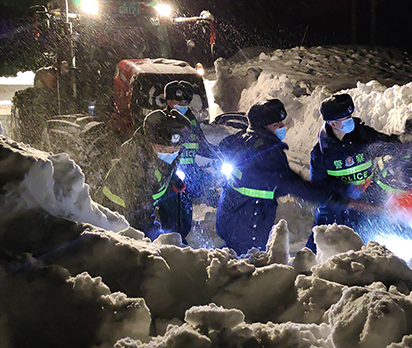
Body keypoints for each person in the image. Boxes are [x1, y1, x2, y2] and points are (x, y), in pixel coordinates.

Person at [215, 98, 347, 255]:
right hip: (250, 220)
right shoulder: (266, 150)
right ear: (263, 126)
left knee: (232, 255)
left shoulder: (242, 139)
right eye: (276, 125)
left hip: (232, 213)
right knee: (246, 262)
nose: (282, 127)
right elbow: (291, 183)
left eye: (281, 123)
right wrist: (329, 197)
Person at [96, 80, 215, 240]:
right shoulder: (136, 169)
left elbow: (170, 163)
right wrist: (162, 242)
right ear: (150, 143)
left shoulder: (167, 145)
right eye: (165, 149)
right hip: (114, 218)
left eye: (174, 149)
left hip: (137, 212)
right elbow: (141, 220)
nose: (171, 153)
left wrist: (174, 179)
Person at [306, 93, 399, 251]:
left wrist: (405, 142)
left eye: (350, 115)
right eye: (346, 118)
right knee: (322, 247)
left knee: (370, 246)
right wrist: (345, 190)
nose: (351, 121)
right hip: (336, 209)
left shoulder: (363, 135)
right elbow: (319, 187)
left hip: (366, 203)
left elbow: (387, 144)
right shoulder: (321, 153)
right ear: (333, 123)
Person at [142, 80, 217, 238]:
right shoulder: (161, 123)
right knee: (169, 212)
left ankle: (181, 239)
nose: (183, 105)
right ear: (168, 102)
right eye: (178, 102)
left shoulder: (190, 120)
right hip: (167, 175)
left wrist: (217, 155)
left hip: (187, 176)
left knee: (185, 213)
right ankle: (170, 241)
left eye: (185, 102)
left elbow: (201, 143)